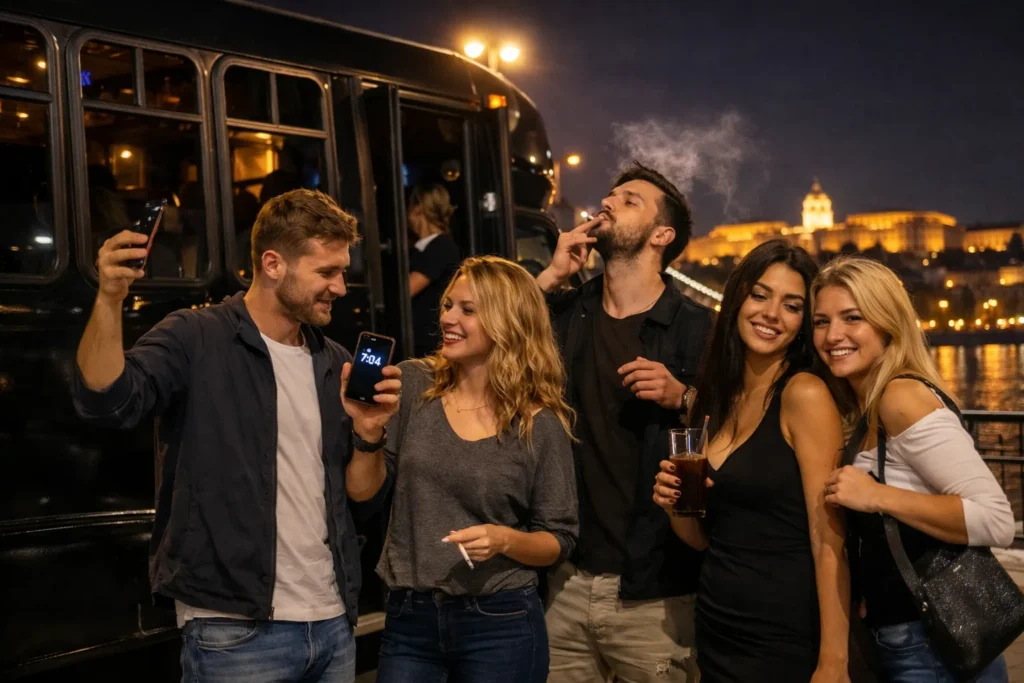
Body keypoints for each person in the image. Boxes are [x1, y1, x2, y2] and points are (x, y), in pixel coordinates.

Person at [71, 189, 401, 683]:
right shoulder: (196, 336)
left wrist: (369, 434)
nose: (340, 287)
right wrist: (109, 298)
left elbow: (362, 499)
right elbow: (109, 401)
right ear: (273, 264)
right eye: (326, 272)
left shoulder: (334, 361)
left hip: (331, 623)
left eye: (343, 272)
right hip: (235, 633)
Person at [346, 255, 578, 683]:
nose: (449, 317)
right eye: (449, 305)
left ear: (507, 321)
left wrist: (504, 539)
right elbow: (362, 493)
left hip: (500, 621)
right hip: (410, 619)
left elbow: (559, 538)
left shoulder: (538, 423)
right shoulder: (415, 385)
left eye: (468, 310)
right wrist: (367, 431)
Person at [535, 162, 712, 682]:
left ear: (662, 235)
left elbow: (742, 426)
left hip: (656, 593)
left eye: (630, 199)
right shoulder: (566, 312)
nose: (608, 202)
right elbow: (490, 342)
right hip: (565, 583)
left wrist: (683, 396)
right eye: (610, 195)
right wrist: (551, 275)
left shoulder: (697, 329)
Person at [651, 239, 851, 682]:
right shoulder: (711, 402)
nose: (771, 314)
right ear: (737, 297)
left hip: (784, 633)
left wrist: (834, 661)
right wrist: (674, 508)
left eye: (792, 305)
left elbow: (829, 540)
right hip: (718, 625)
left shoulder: (804, 395)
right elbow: (702, 539)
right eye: (760, 295)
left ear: (803, 323)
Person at [812, 256, 1014, 682]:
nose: (833, 336)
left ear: (888, 323)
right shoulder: (866, 407)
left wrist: (876, 496)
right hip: (904, 636)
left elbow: (996, 519)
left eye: (853, 318)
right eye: (821, 321)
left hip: (930, 645)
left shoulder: (900, 397)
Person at [407, 183, 461, 358]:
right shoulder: (423, 247)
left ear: (418, 208)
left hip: (429, 341)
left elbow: (407, 289)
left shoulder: (441, 246)